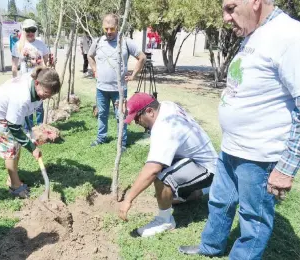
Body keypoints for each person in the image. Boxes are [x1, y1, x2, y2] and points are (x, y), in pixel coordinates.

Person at [179, 1, 300, 259]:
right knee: (220, 202)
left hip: (259, 156)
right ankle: (210, 248)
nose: (225, 17)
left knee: (253, 220)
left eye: (231, 8)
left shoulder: (290, 36)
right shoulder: (254, 32)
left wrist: (286, 168)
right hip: (231, 148)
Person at [118, 93, 217, 237]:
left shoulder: (164, 128)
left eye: (137, 117)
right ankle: (202, 191)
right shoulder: (166, 106)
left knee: (160, 177)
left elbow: (152, 170)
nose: (136, 122)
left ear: (150, 112)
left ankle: (164, 221)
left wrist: (128, 199)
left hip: (206, 168)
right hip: (201, 160)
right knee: (168, 192)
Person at [0, 66, 60, 198]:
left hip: (10, 112)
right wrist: (32, 148)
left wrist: (30, 135)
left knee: (16, 146)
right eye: (46, 93)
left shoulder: (35, 84)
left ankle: (12, 178)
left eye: (50, 95)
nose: (47, 98)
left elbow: (24, 114)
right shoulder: (22, 96)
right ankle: (15, 186)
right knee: (11, 150)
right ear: (37, 83)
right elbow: (14, 127)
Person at [88, 14, 146, 151]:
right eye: (106, 28)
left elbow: (142, 57)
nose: (109, 32)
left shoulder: (125, 42)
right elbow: (90, 56)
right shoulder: (98, 42)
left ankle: (122, 142)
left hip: (119, 90)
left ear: (117, 27)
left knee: (120, 116)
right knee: (102, 114)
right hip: (101, 88)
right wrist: (95, 69)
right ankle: (101, 138)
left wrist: (134, 75)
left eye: (112, 28)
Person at [12, 19, 49, 128]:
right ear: (23, 30)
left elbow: (46, 62)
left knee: (39, 105)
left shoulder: (41, 44)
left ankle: (40, 127)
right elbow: (14, 65)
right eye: (28, 30)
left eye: (32, 30)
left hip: (39, 80)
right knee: (27, 104)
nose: (30, 32)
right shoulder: (18, 45)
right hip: (24, 81)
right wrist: (15, 80)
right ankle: (29, 129)